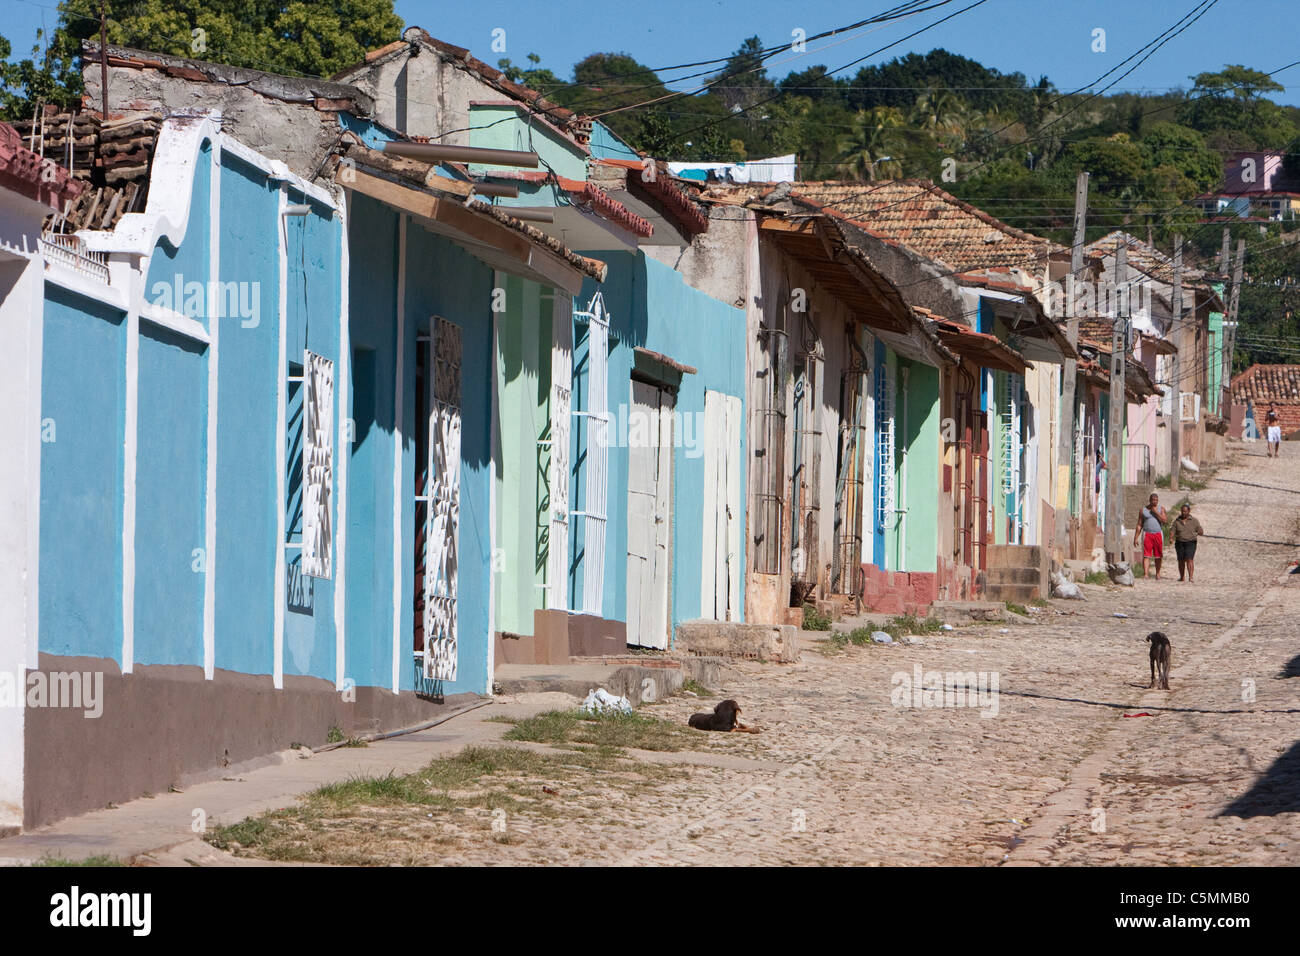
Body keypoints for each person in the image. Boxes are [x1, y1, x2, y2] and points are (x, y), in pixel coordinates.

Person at [1134, 492, 1168, 580]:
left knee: (1158, 555)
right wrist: (1136, 538)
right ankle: (1146, 574)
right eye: (1153, 500)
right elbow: (1139, 525)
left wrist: (1156, 512)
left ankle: (1158, 573)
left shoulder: (1161, 509)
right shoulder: (1143, 510)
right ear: (1150, 500)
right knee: (1146, 555)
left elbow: (1164, 521)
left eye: (1156, 500)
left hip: (1158, 534)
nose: (1155, 502)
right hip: (1147, 534)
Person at [1172, 503, 1204, 583]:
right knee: (1181, 560)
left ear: (1189, 511)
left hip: (1191, 542)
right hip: (1180, 542)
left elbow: (1200, 530)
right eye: (1182, 511)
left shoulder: (1194, 521)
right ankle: (1182, 577)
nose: (1183, 513)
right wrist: (1171, 538)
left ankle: (1191, 577)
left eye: (1185, 511)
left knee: (1189, 559)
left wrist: (1200, 532)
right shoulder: (1177, 521)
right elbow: (1173, 531)